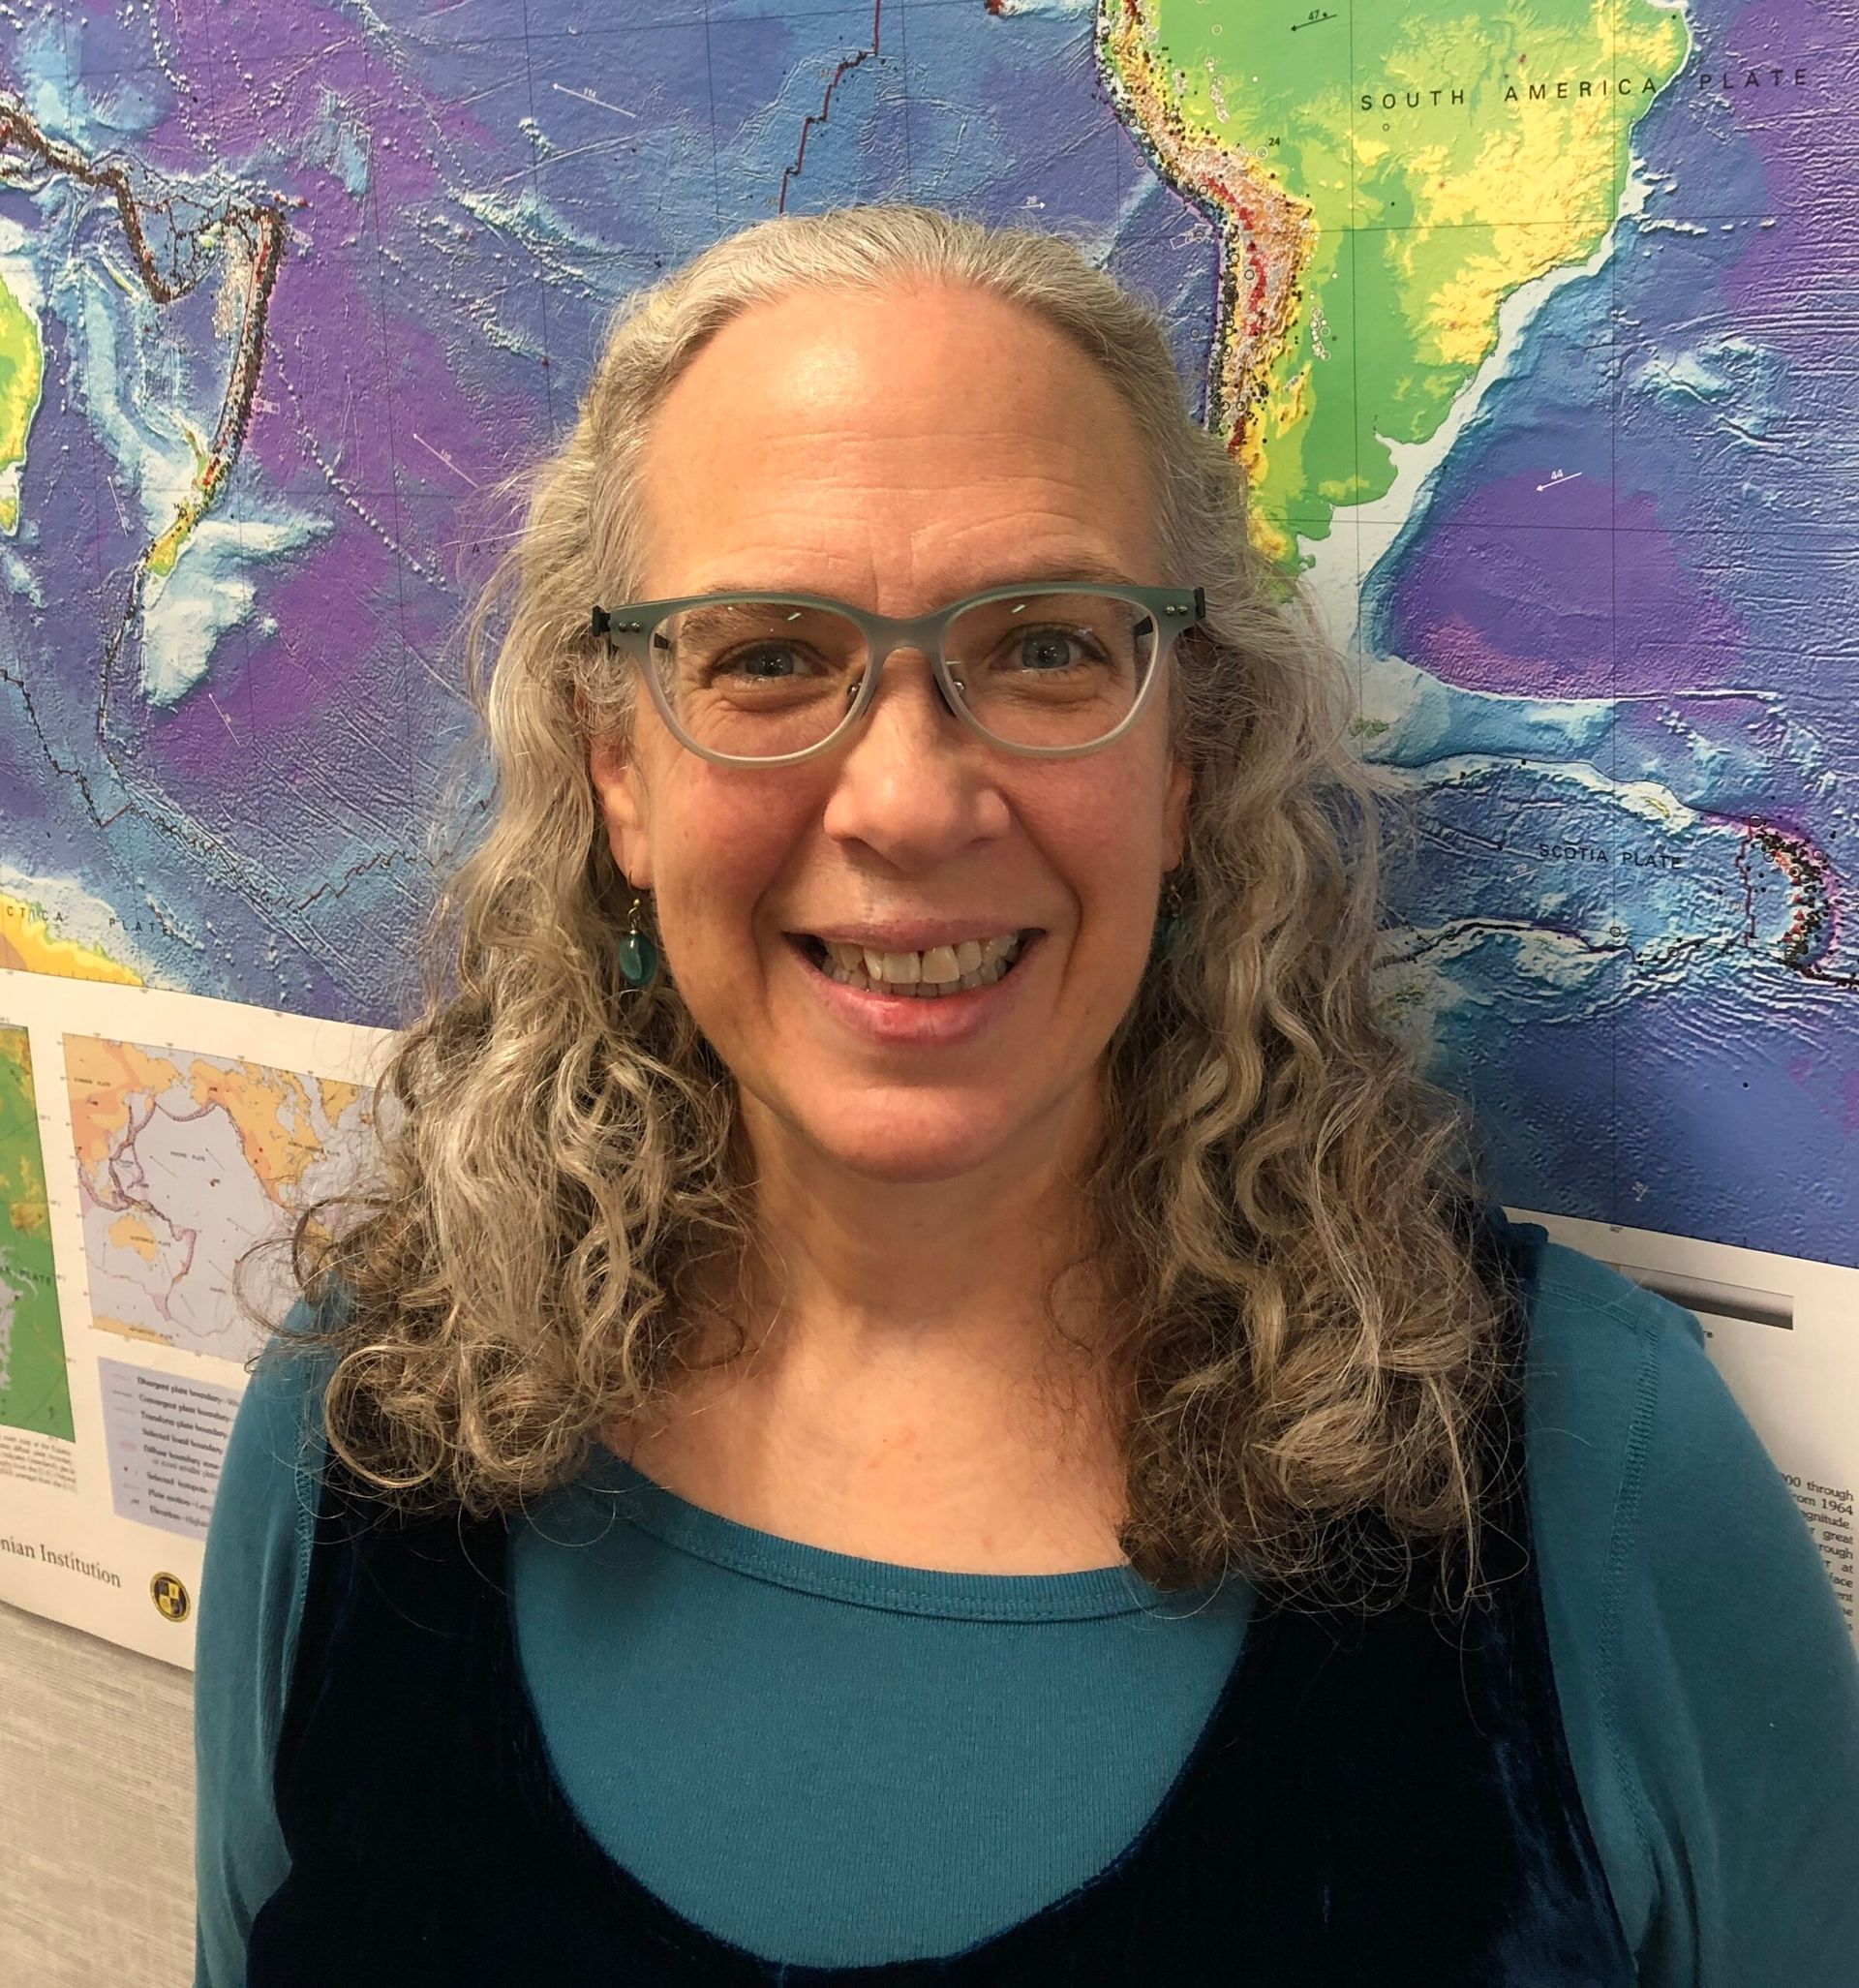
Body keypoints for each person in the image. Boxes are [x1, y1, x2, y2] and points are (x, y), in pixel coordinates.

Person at [193, 203, 1859, 1985]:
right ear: (619, 770)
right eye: (767, 655)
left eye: (1047, 646)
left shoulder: (1585, 1474)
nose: (907, 802)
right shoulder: (361, 1432)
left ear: (1186, 754)